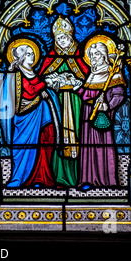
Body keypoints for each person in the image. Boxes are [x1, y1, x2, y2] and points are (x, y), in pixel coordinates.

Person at [2, 38, 61, 188]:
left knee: (44, 145)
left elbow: (40, 91)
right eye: (27, 54)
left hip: (43, 118)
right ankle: (19, 179)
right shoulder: (15, 76)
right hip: (24, 118)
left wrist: (48, 91)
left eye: (32, 53)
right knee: (22, 149)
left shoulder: (34, 74)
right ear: (19, 58)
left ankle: (42, 178)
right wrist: (44, 86)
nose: (32, 56)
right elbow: (29, 92)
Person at [39, 16, 89, 187]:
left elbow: (86, 79)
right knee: (58, 136)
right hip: (57, 104)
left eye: (65, 37)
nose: (62, 41)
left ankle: (79, 176)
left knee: (78, 137)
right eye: (59, 38)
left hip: (77, 103)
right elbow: (43, 78)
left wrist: (74, 82)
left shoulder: (80, 58)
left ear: (71, 37)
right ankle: (59, 176)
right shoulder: (51, 58)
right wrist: (53, 81)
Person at [77, 39, 126, 189]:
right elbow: (85, 94)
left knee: (101, 145)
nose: (93, 58)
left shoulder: (112, 74)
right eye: (91, 55)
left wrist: (107, 106)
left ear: (104, 56)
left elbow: (119, 94)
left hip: (101, 116)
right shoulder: (91, 75)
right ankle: (87, 179)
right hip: (87, 115)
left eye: (96, 55)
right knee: (87, 147)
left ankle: (106, 180)